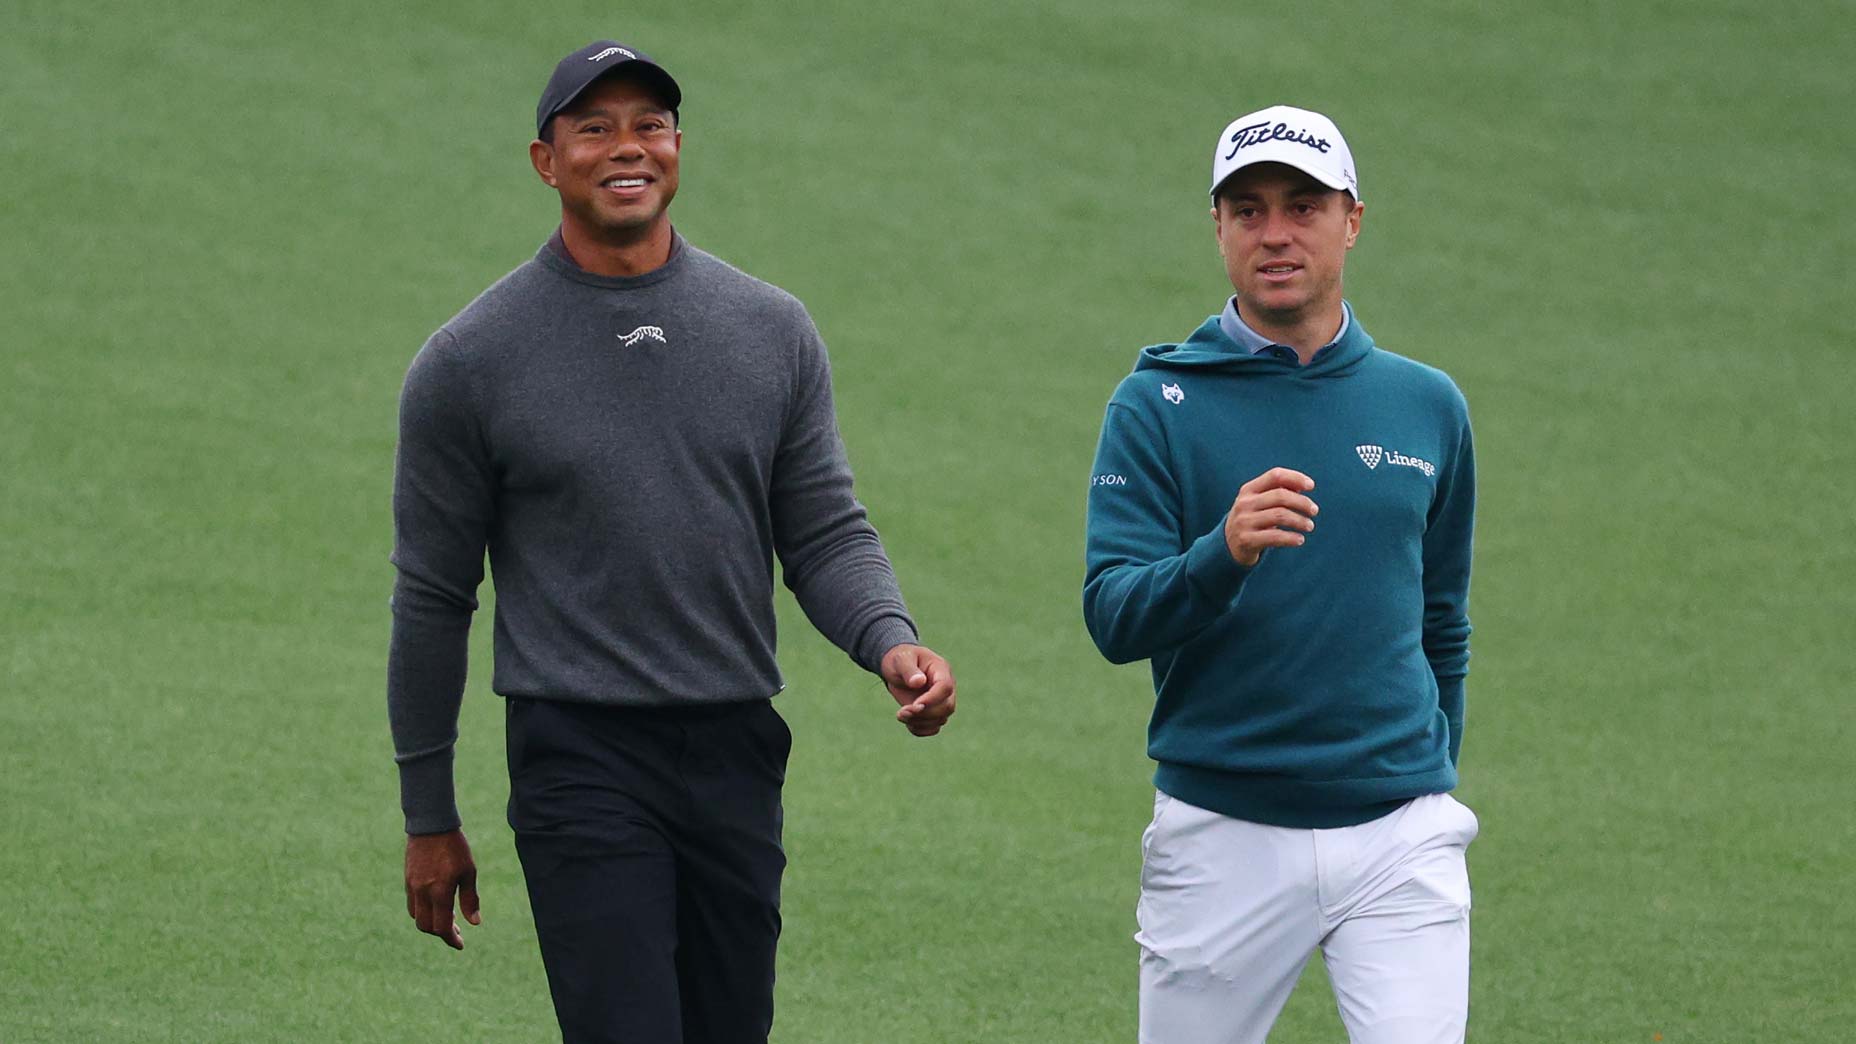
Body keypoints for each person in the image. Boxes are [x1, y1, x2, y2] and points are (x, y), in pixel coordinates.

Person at [387, 39, 956, 1044]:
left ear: (679, 147)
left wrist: (888, 638)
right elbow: (434, 597)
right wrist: (428, 814)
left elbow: (821, 529)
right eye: (593, 127)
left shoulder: (769, 330)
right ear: (544, 159)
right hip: (578, 755)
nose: (626, 147)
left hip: (736, 750)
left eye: (648, 124)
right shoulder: (469, 361)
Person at [1082, 104, 1478, 1044]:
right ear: (1218, 227)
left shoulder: (1428, 406)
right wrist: (1222, 554)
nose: (1276, 233)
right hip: (1223, 831)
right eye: (1249, 209)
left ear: (1352, 220)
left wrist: (1425, 769)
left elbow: (1443, 619)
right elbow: (1112, 614)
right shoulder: (1157, 405)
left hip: (1399, 832)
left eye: (1304, 206)